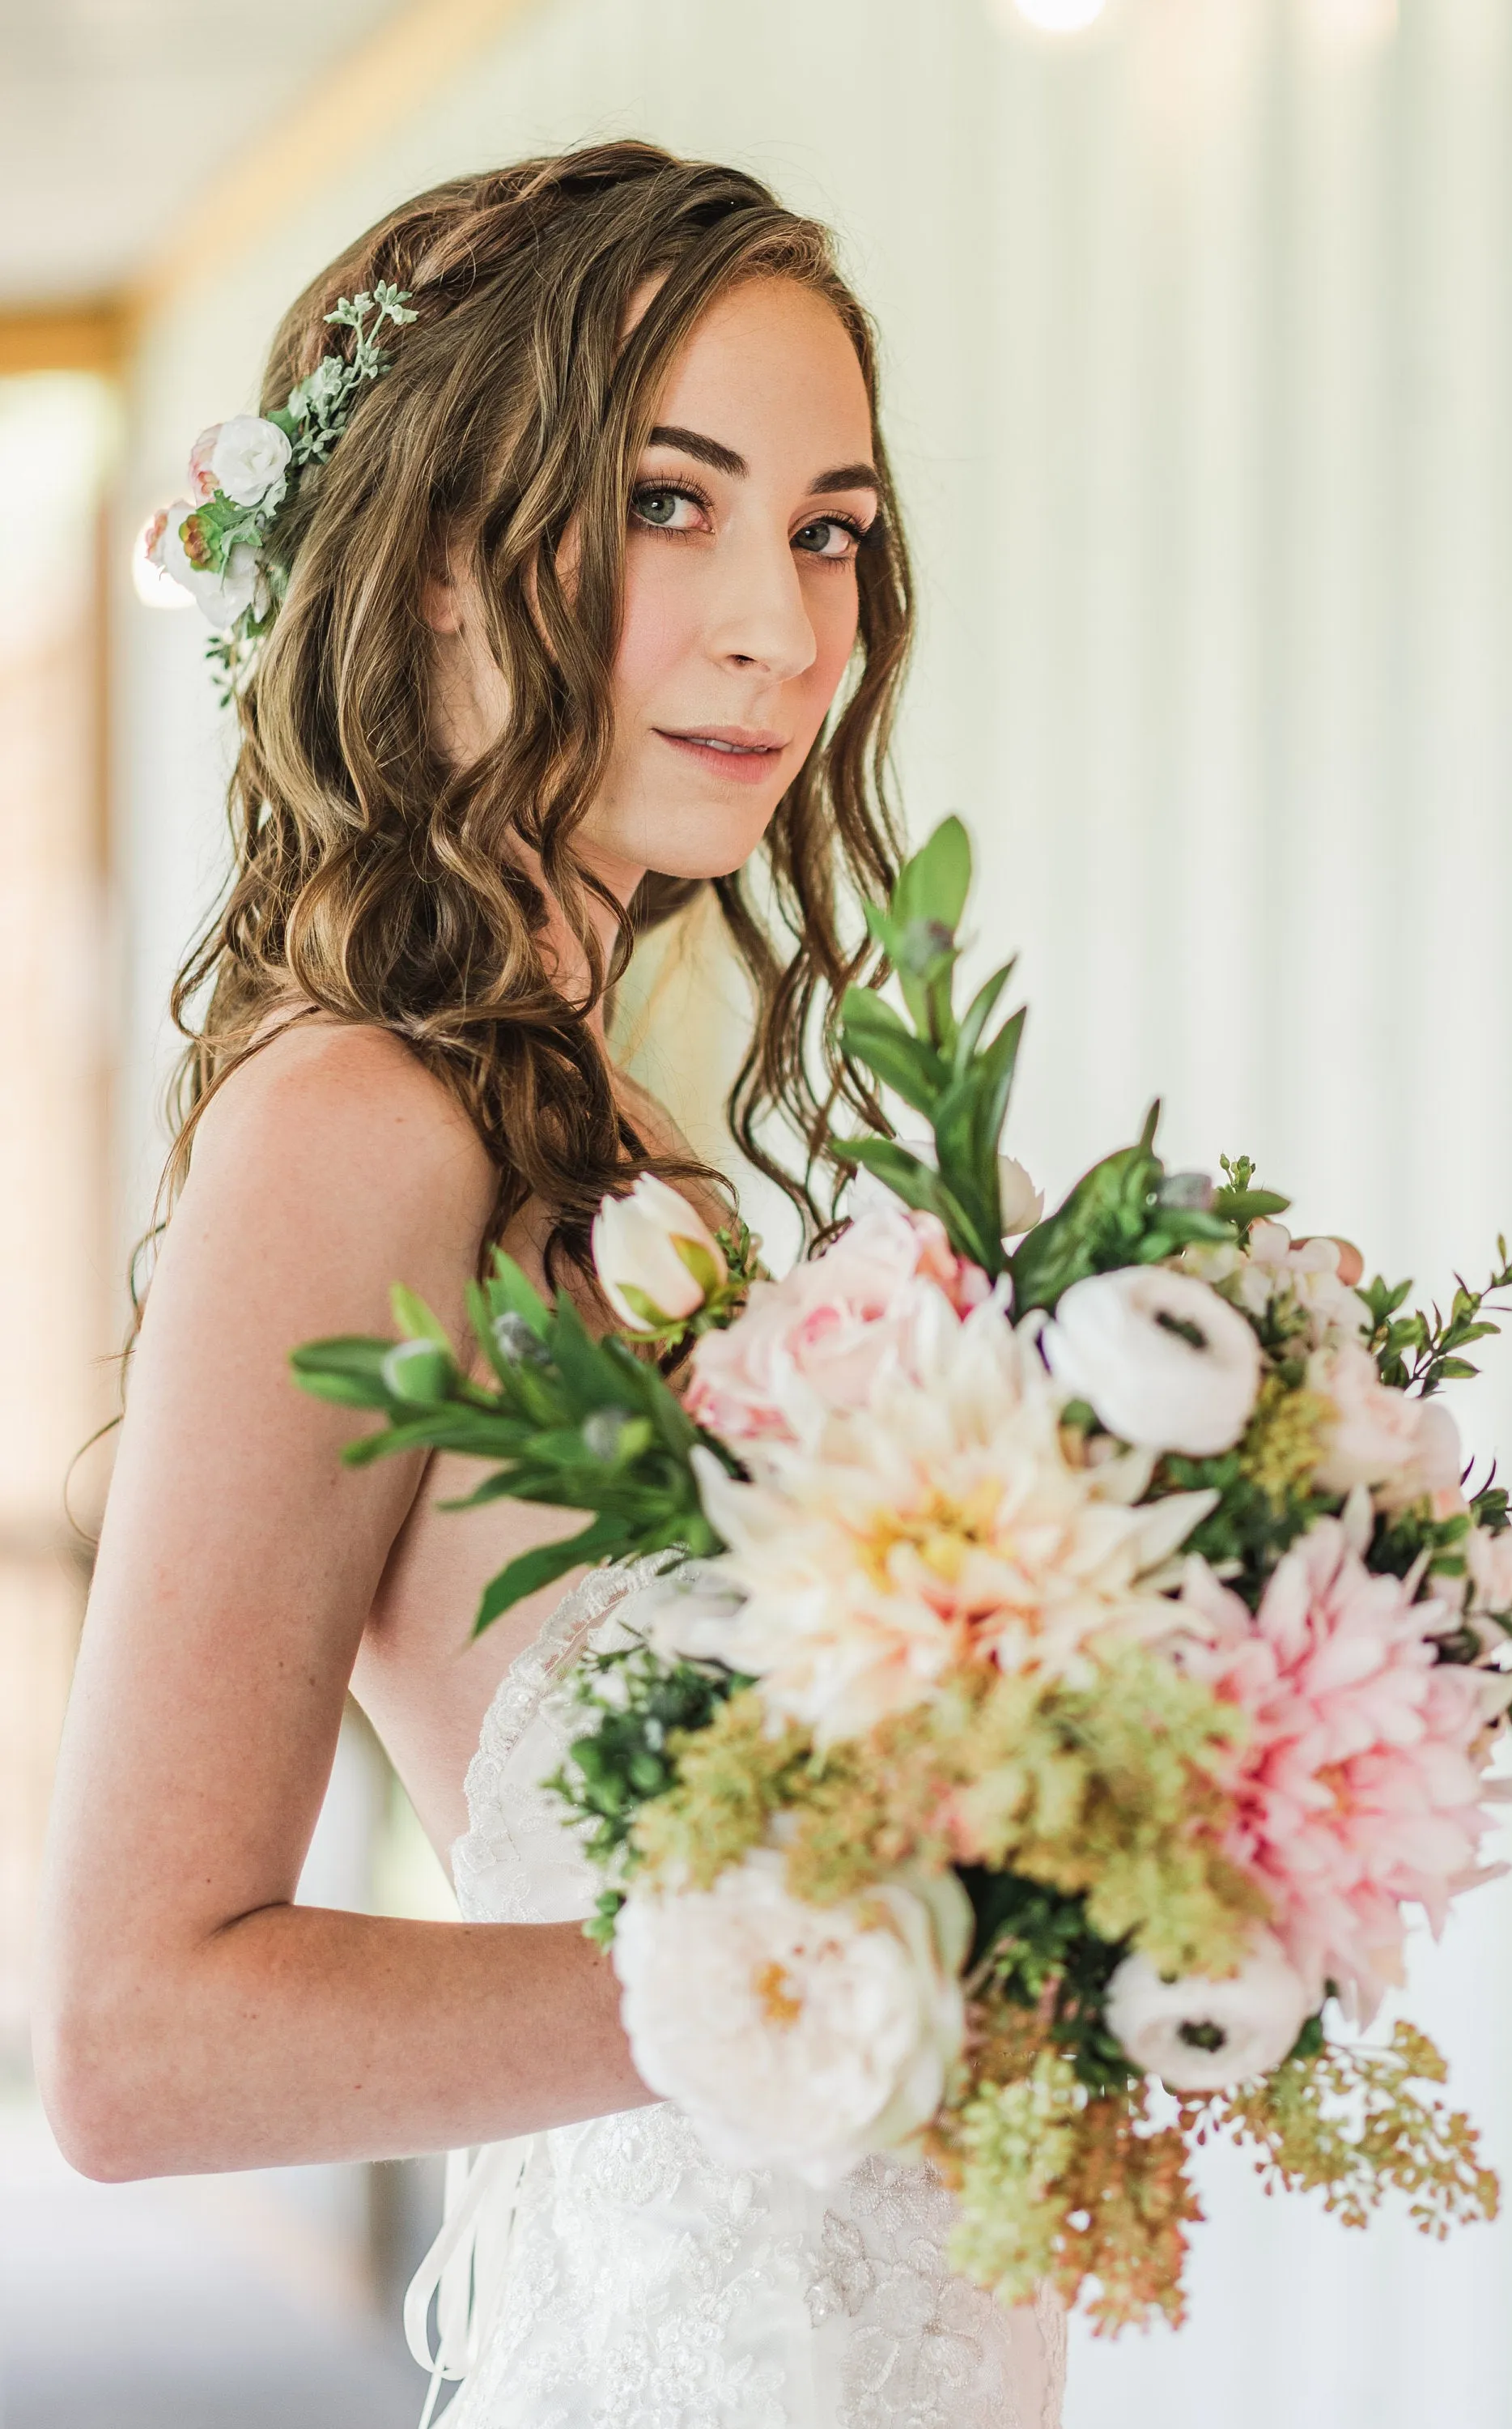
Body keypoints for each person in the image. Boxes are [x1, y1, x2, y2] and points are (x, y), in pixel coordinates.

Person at [36, 143, 1064, 2425]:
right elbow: (131, 2039)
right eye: (665, 505)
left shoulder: (617, 1106)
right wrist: (843, 1971)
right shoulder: (356, 1127)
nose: (779, 630)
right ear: (419, 556)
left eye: (827, 529)